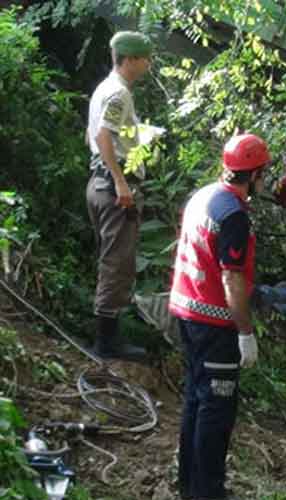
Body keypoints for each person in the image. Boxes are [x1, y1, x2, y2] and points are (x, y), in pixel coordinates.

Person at [169, 133, 271, 500]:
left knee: (196, 397)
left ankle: (189, 482)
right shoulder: (233, 216)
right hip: (214, 322)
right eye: (264, 174)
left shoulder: (202, 197)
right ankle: (209, 489)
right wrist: (245, 332)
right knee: (217, 403)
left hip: (186, 311)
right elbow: (232, 278)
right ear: (255, 174)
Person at [85, 31, 154, 360]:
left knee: (111, 260)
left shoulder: (106, 89)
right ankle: (106, 343)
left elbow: (107, 135)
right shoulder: (118, 94)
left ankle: (105, 334)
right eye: (144, 58)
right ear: (129, 60)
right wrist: (121, 181)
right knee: (118, 264)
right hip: (113, 188)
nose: (148, 64)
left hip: (99, 185)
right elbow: (102, 135)